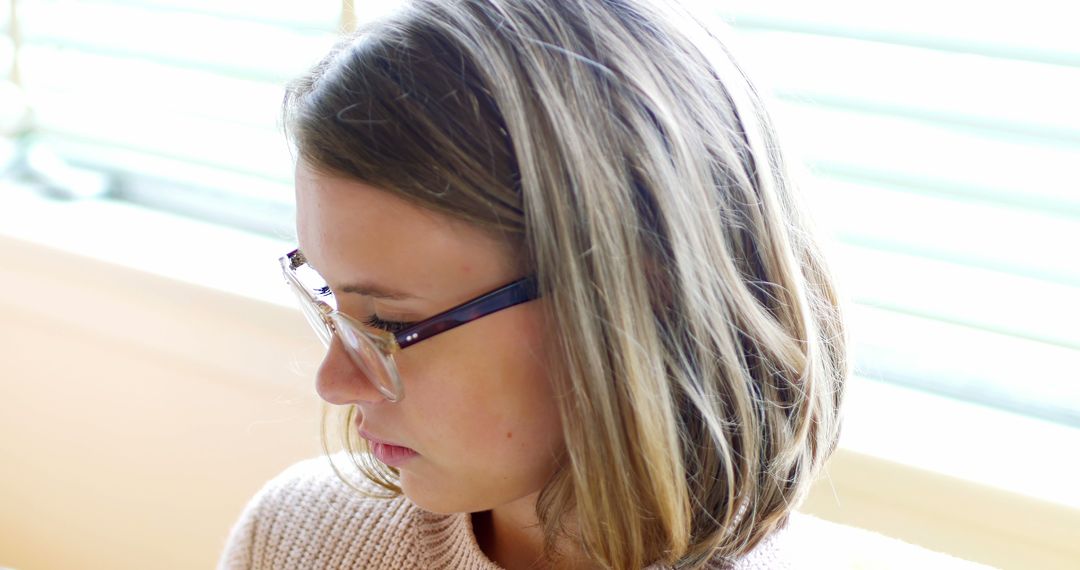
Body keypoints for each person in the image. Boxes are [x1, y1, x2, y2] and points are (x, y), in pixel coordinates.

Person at [217, 1, 981, 568]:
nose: (335, 381)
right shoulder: (299, 540)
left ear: (636, 302)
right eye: (330, 302)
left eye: (385, 321)